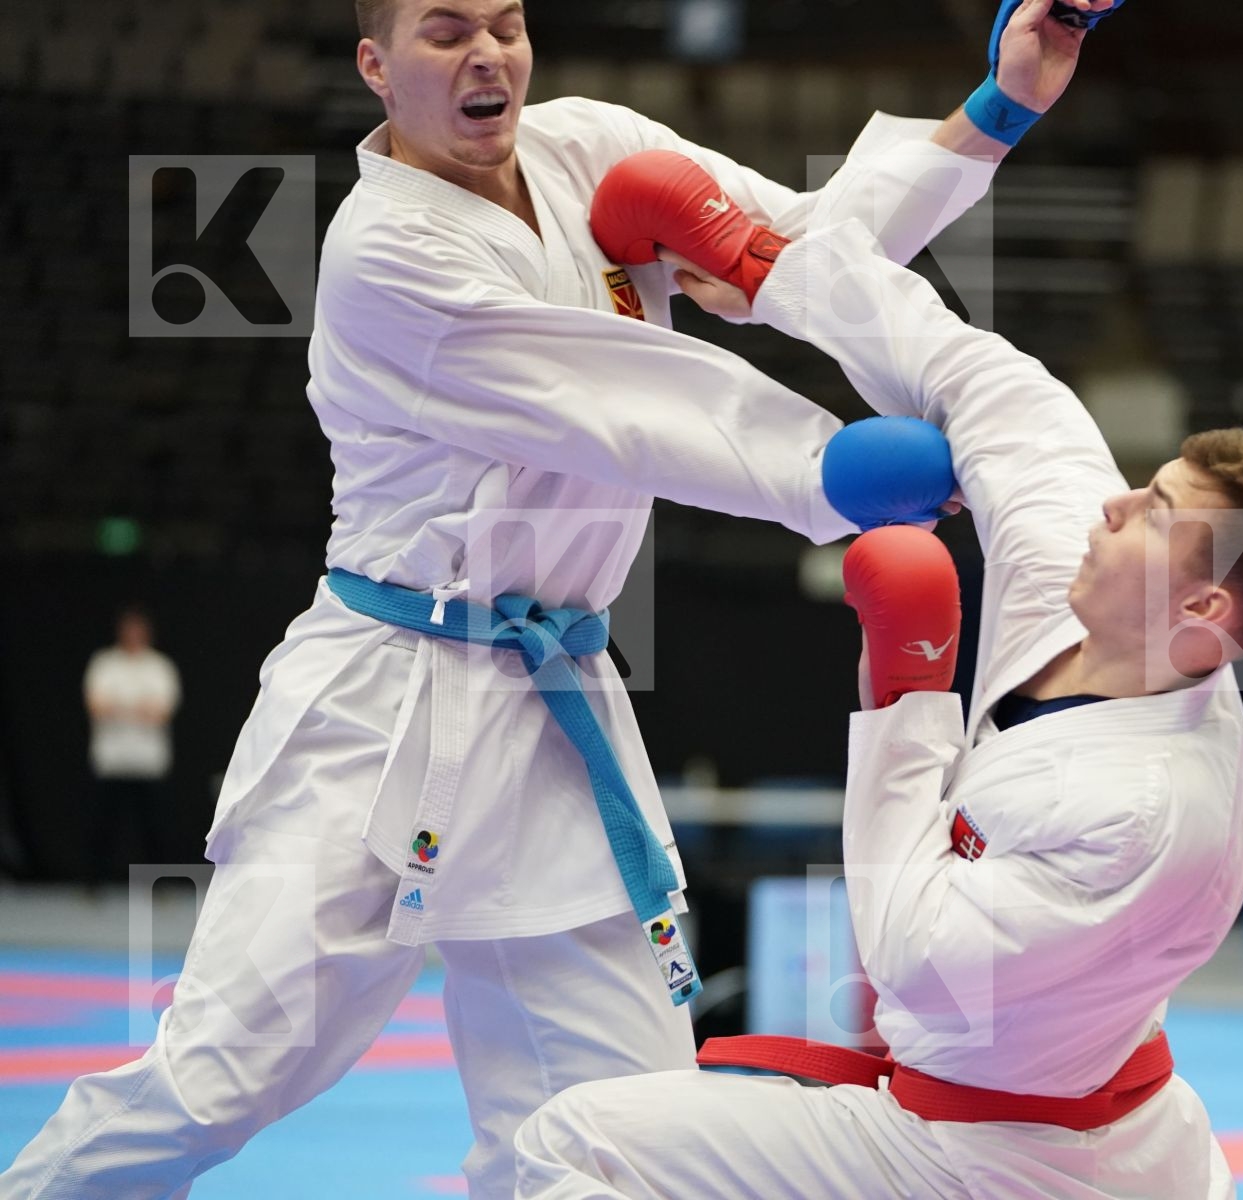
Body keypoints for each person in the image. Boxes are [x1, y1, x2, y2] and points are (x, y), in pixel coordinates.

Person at [0, 0, 1082, 1196]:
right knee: (217, 1081)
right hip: (385, 707)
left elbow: (799, 246)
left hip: (554, 708)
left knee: (619, 1119)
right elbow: (622, 400)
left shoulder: (590, 147)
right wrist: (835, 471)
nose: (487, 55)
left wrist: (995, 111)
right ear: (376, 66)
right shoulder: (385, 253)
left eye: (506, 24)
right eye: (444, 30)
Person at [509, 128, 1243, 1200]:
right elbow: (983, 384)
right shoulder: (1091, 573)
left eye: (1154, 512)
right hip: (1019, 1103)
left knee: (574, 1145)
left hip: (1016, 1162)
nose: (1113, 504)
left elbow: (911, 953)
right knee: (583, 1142)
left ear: (1202, 605)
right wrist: (761, 269)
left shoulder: (1152, 816)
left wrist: (907, 691)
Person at [82, 606, 182, 888]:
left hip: (148, 762)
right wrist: (139, 708)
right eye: (129, 630)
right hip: (111, 761)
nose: (134, 635)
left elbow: (161, 712)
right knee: (103, 826)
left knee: (154, 829)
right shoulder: (104, 663)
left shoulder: (159, 667)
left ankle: (159, 885)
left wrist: (118, 706)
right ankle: (93, 884)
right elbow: (96, 707)